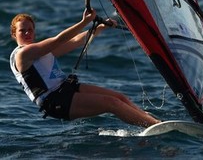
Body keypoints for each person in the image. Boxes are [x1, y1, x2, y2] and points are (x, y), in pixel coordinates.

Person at [10, 9, 160, 127]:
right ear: (14, 35)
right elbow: (59, 39)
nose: (27, 33)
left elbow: (76, 41)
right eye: (22, 30)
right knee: (111, 103)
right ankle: (154, 126)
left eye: (30, 29)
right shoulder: (23, 54)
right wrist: (85, 21)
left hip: (66, 89)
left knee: (120, 97)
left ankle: (151, 121)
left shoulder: (40, 51)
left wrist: (100, 28)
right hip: (55, 101)